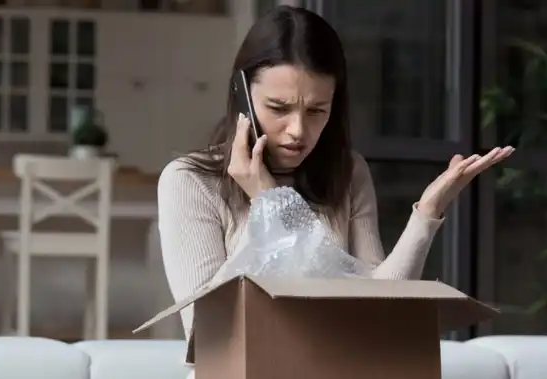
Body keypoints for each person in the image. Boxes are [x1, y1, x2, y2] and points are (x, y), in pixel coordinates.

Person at [156, 4, 513, 375]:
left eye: (316, 111)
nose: (297, 130)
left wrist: (426, 214)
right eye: (278, 108)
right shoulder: (188, 181)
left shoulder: (348, 172)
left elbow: (380, 303)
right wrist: (268, 201)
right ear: (242, 97)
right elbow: (207, 331)